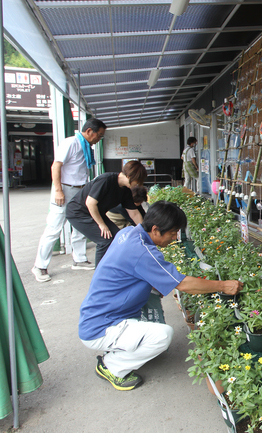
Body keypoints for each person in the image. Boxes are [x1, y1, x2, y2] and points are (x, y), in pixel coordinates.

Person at [78, 200, 243, 391]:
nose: (174, 238)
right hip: (101, 326)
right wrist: (222, 285)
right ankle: (111, 366)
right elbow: (182, 284)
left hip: (99, 313)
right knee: (163, 336)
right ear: (156, 229)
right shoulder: (141, 252)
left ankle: (121, 346)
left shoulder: (129, 233)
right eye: (172, 233)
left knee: (153, 293)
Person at [32, 118, 107, 283]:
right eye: (99, 135)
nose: (99, 139)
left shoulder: (86, 146)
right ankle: (40, 266)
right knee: (54, 227)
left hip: (80, 189)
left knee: (81, 225)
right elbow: (56, 166)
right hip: (65, 189)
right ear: (89, 131)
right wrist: (58, 190)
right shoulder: (70, 143)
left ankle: (79, 259)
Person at [66, 161, 148, 265]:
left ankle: (113, 266)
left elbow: (134, 214)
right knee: (105, 240)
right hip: (79, 212)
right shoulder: (106, 180)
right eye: (138, 181)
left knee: (119, 237)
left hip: (97, 213)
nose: (139, 185)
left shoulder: (126, 191)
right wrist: (102, 224)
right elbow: (90, 203)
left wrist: (145, 233)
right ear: (130, 176)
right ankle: (100, 275)